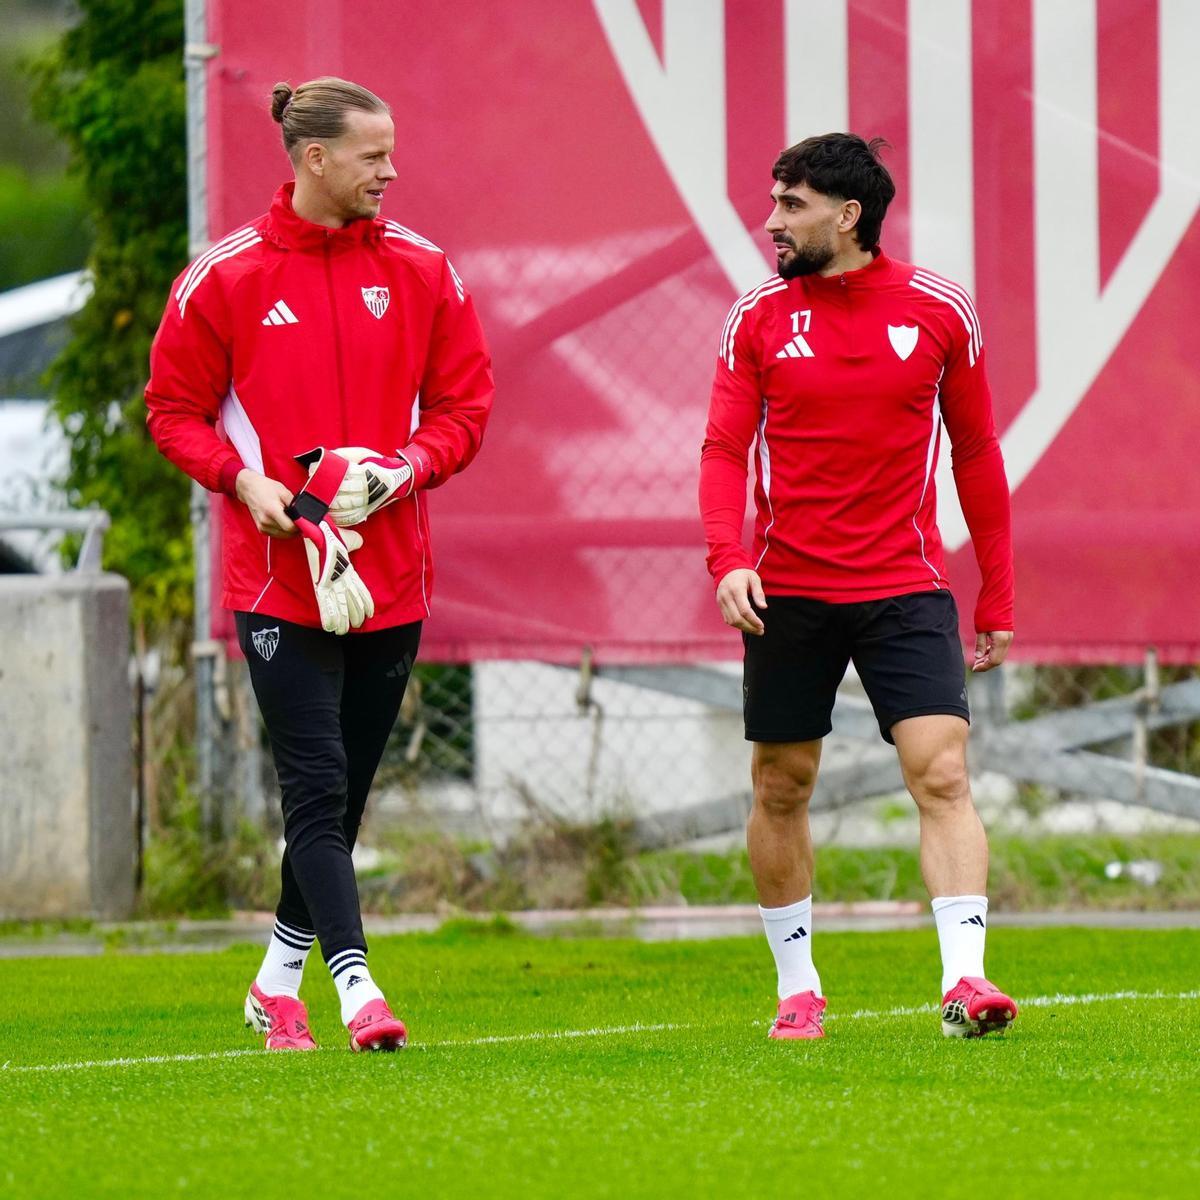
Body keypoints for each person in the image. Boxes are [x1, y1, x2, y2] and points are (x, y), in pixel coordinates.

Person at [146, 77, 494, 1052]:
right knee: (315, 781)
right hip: (274, 577)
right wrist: (241, 482)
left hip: (390, 576)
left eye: (391, 151)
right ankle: (358, 991)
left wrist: (405, 470)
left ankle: (273, 981)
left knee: (339, 797)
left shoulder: (426, 269)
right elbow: (172, 411)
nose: (392, 170)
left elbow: (465, 410)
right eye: (373, 154)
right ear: (315, 159)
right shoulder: (226, 275)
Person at [699, 134, 1016, 1040]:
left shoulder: (940, 308)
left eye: (791, 204)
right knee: (782, 786)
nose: (772, 220)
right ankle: (798, 990)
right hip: (787, 589)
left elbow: (977, 454)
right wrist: (729, 560)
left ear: (848, 216)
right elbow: (723, 452)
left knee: (943, 773)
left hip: (905, 586)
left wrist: (996, 594)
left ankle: (967, 981)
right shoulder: (757, 316)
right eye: (774, 201)